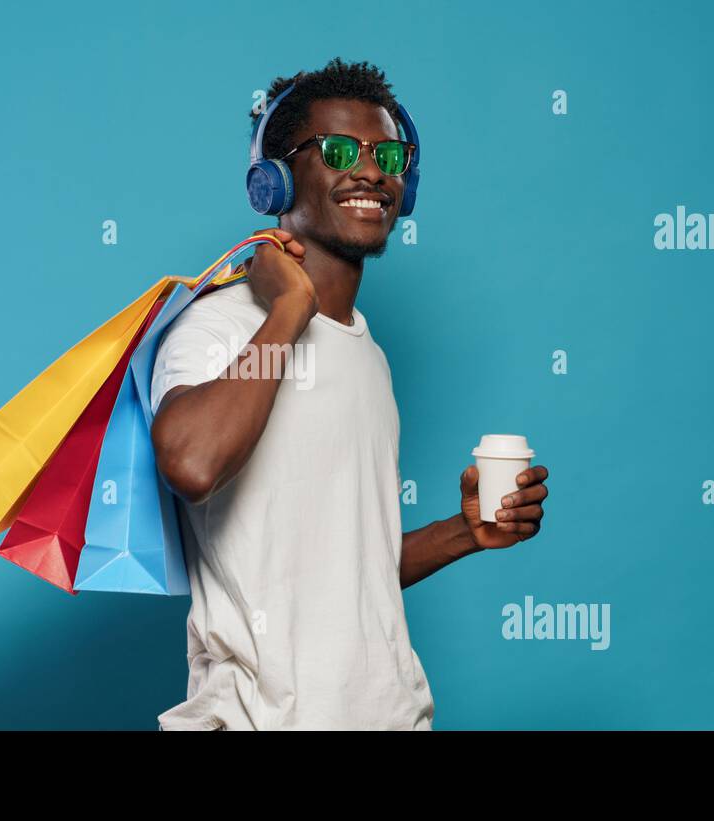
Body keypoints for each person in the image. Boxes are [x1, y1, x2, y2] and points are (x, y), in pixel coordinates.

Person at [149, 58, 550, 730]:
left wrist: (466, 533)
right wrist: (287, 311)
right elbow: (190, 464)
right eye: (339, 151)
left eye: (387, 154)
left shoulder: (369, 357)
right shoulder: (217, 325)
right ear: (273, 179)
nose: (371, 171)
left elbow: (345, 571)